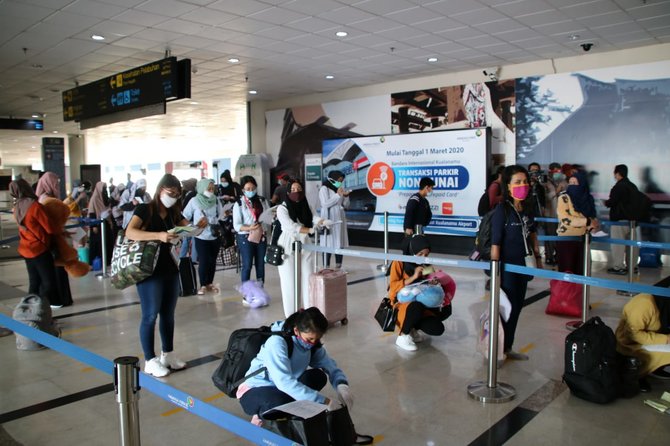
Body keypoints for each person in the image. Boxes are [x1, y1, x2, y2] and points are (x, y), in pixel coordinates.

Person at [124, 174, 207, 377]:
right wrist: (158, 235)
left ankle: (167, 354)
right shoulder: (145, 209)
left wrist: (199, 227)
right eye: (170, 193)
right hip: (148, 270)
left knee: (168, 314)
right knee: (150, 314)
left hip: (170, 267)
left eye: (177, 195)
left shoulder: (173, 212)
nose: (173, 197)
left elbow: (188, 228)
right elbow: (130, 232)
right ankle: (149, 359)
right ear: (160, 189)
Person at [237, 307, 354, 426]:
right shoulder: (277, 343)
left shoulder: (312, 343)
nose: (313, 343)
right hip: (257, 388)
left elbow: (329, 365)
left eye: (317, 339)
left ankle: (289, 407)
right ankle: (260, 414)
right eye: (309, 339)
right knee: (279, 401)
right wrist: (324, 401)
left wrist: (342, 385)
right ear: (296, 330)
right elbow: (285, 383)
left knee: (318, 377)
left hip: (282, 387)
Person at [490, 165, 542, 361]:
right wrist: (496, 274)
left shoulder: (527, 208)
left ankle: (508, 346)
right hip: (507, 270)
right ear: (508, 186)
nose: (523, 185)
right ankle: (497, 349)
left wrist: (538, 257)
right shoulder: (502, 210)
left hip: (524, 267)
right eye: (517, 182)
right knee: (506, 310)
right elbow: (496, 243)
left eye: (525, 181)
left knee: (518, 308)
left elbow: (533, 233)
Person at [388, 234, 452, 351]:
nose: (423, 257)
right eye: (420, 254)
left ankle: (412, 329)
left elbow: (428, 280)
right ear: (413, 250)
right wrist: (413, 277)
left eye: (426, 254)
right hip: (403, 304)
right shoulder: (399, 262)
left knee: (439, 324)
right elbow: (393, 288)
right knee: (415, 307)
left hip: (421, 303)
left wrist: (433, 282)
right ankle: (403, 336)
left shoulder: (427, 265)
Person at [276, 180, 328, 317]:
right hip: (288, 244)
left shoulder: (306, 204)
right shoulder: (282, 208)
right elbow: (290, 226)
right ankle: (292, 317)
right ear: (288, 192)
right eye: (293, 189)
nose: (296, 192)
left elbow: (313, 217)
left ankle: (309, 314)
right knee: (290, 282)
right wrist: (309, 230)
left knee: (308, 278)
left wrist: (322, 221)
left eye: (299, 188)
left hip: (305, 243)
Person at [9, 179, 61, 308]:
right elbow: (49, 228)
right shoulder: (34, 206)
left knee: (34, 281)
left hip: (25, 249)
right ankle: (39, 307)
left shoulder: (17, 208)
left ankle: (28, 308)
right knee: (48, 281)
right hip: (40, 248)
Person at [616, 277, 670, 392]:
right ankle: (635, 373)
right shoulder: (645, 303)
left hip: (647, 340)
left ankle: (653, 368)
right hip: (628, 345)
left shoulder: (663, 303)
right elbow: (632, 334)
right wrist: (666, 339)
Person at [35, 172, 74, 308]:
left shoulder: (46, 198)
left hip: (55, 237)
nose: (57, 185)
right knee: (56, 269)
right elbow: (49, 224)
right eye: (55, 182)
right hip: (51, 240)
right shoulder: (46, 200)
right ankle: (57, 299)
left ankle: (62, 298)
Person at [183, 178, 224, 295]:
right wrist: (194, 226)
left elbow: (220, 215)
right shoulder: (194, 201)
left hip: (215, 235)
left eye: (213, 188)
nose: (211, 191)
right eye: (209, 188)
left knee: (212, 261)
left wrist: (224, 215)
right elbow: (184, 216)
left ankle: (210, 282)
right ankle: (202, 285)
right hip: (201, 236)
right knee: (204, 260)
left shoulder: (215, 200)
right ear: (202, 188)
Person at [556, 171, 599, 274]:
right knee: (567, 271)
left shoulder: (588, 199)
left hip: (583, 239)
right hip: (567, 239)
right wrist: (587, 221)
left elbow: (592, 217)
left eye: (575, 183)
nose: (572, 186)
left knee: (581, 271)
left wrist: (593, 225)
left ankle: (579, 291)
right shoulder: (564, 198)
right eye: (570, 183)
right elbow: (566, 219)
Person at [233, 175, 269, 286]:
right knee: (247, 265)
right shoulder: (239, 204)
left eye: (253, 188)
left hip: (260, 235)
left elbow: (267, 217)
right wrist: (249, 228)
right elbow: (237, 225)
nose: (251, 191)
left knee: (260, 264)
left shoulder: (262, 201)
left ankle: (260, 289)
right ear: (243, 190)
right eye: (248, 189)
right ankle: (246, 292)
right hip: (245, 237)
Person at [604, 164, 640, 275]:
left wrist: (605, 202)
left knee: (618, 245)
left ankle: (618, 267)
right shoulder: (633, 186)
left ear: (617, 173)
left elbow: (612, 202)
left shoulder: (618, 186)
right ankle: (632, 266)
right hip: (632, 221)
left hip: (619, 220)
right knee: (632, 246)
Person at [318, 170, 349, 269]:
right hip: (329, 218)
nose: (340, 182)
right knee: (328, 243)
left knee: (340, 243)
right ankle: (326, 267)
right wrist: (337, 195)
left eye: (341, 180)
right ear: (333, 179)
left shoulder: (339, 189)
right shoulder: (324, 189)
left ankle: (338, 266)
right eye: (338, 180)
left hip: (340, 218)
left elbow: (346, 205)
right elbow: (325, 204)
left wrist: (346, 196)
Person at [543, 162, 567, 265]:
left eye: (559, 171)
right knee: (549, 236)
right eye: (556, 171)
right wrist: (556, 191)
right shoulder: (545, 182)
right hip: (550, 214)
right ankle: (549, 256)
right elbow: (545, 197)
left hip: (560, 215)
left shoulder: (561, 181)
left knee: (558, 237)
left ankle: (558, 256)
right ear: (551, 171)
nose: (558, 173)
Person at [87, 181, 114, 266]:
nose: (105, 190)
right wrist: (94, 226)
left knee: (107, 242)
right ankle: (98, 262)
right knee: (98, 244)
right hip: (97, 224)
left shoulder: (104, 198)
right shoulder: (94, 198)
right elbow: (92, 212)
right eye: (103, 188)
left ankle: (107, 260)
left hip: (105, 223)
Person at [179, 178, 199, 261]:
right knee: (194, 240)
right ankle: (194, 259)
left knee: (186, 241)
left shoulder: (186, 194)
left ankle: (182, 258)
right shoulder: (193, 194)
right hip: (192, 220)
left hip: (185, 219)